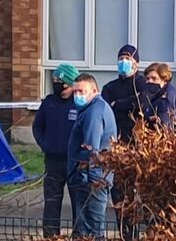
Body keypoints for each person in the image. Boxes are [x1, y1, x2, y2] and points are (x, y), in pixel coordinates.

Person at [101, 44, 148, 241]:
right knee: (120, 194)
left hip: (139, 147)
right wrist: (128, 103)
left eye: (128, 58)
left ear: (136, 62)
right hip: (117, 146)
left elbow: (142, 103)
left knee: (143, 194)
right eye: (121, 58)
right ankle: (126, 234)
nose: (124, 62)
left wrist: (119, 104)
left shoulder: (143, 83)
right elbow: (106, 108)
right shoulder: (110, 87)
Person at [32, 63, 80, 237]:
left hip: (74, 163)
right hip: (53, 162)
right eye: (54, 80)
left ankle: (80, 236)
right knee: (52, 203)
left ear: (68, 82)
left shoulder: (79, 103)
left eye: (58, 80)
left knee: (78, 203)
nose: (55, 84)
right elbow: (37, 127)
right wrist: (45, 145)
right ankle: (51, 236)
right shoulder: (49, 103)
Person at [67, 73, 117, 240]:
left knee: (91, 229)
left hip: (91, 179)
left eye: (81, 91)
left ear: (94, 90)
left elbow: (92, 149)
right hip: (93, 177)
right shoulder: (91, 108)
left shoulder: (94, 112)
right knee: (87, 228)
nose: (77, 95)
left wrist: (85, 177)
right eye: (75, 91)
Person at [143, 62, 176, 131]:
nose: (150, 81)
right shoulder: (162, 94)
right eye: (148, 78)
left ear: (164, 80)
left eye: (154, 78)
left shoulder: (165, 100)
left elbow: (164, 127)